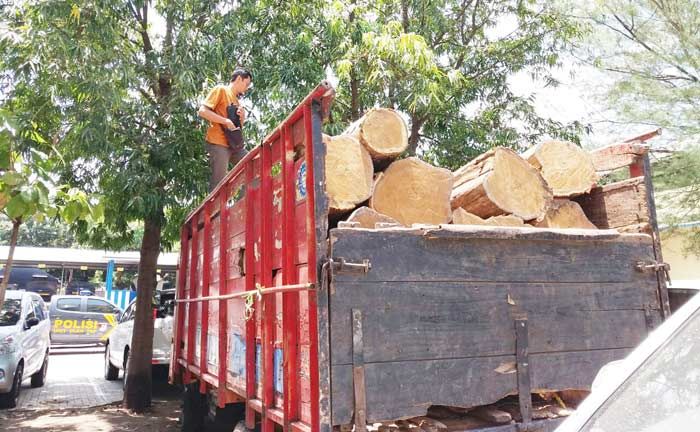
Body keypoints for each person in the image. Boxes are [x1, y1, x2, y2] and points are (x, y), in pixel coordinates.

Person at [198, 68, 253, 191]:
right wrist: (225, 121)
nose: (247, 87)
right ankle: (216, 211)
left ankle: (246, 204)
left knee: (253, 164)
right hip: (218, 143)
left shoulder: (237, 101)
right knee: (219, 183)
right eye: (246, 84)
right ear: (239, 79)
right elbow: (202, 111)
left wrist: (242, 118)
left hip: (233, 145)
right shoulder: (221, 90)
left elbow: (236, 129)